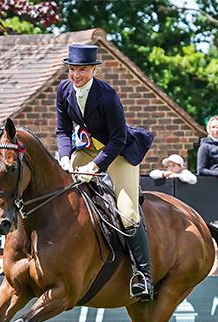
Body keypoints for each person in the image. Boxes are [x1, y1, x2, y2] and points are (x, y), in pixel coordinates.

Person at [56, 44, 155, 300]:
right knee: (61, 186)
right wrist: (65, 157)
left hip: (118, 152)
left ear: (92, 70)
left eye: (82, 70)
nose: (76, 75)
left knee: (128, 212)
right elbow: (62, 131)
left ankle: (143, 276)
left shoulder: (107, 95)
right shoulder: (64, 90)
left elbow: (118, 139)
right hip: (87, 147)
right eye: (73, 69)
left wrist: (95, 167)